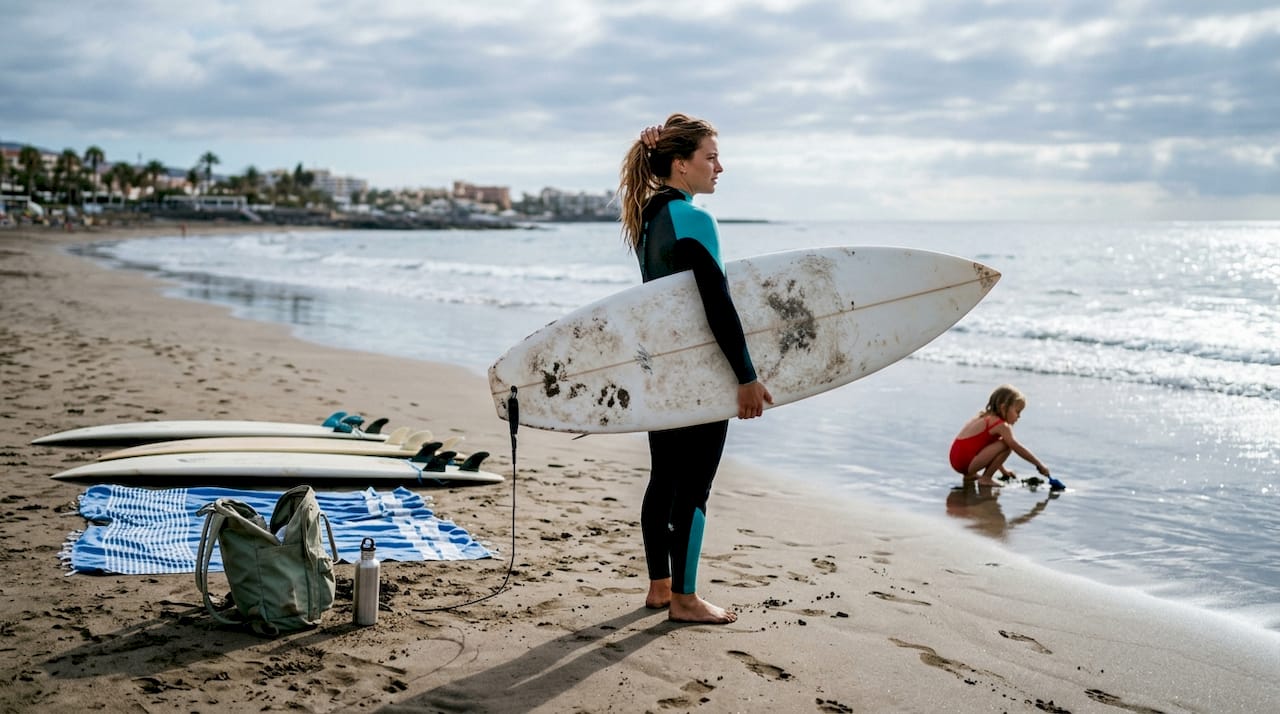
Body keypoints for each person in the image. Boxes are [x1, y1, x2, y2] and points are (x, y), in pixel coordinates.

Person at [618, 113, 772, 624]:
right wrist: (746, 377)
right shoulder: (693, 219)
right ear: (680, 165)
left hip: (661, 372)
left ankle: (660, 588)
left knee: (663, 479)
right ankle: (685, 599)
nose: (720, 167)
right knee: (694, 488)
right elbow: (717, 304)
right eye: (710, 157)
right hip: (699, 376)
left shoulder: (647, 218)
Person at [948, 384, 1050, 487]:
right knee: (1008, 445)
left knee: (1002, 443)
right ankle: (986, 478)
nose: (1019, 416)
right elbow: (1016, 447)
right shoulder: (1001, 426)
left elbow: (989, 450)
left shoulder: (984, 417)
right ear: (1003, 408)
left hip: (956, 460)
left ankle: (970, 475)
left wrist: (1003, 471)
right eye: (1017, 411)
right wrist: (1039, 464)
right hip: (966, 463)